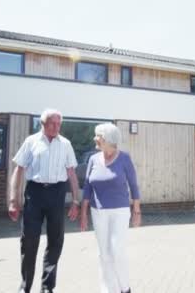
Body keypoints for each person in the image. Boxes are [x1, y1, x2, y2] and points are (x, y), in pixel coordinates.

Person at [8, 109, 81, 293]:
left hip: (57, 193)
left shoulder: (65, 144)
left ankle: (47, 287)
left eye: (59, 124)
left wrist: (75, 201)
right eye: (52, 123)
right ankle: (25, 286)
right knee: (29, 240)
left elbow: (71, 173)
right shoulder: (31, 141)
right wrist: (13, 200)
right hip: (35, 193)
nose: (56, 127)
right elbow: (19, 170)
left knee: (55, 240)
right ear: (43, 124)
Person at [80, 123, 141, 293]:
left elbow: (134, 185)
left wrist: (136, 211)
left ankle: (125, 288)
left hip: (120, 211)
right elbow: (87, 187)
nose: (95, 138)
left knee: (117, 250)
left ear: (107, 139)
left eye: (97, 135)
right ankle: (108, 289)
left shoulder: (124, 158)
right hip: (98, 211)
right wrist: (84, 213)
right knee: (104, 254)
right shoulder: (93, 159)